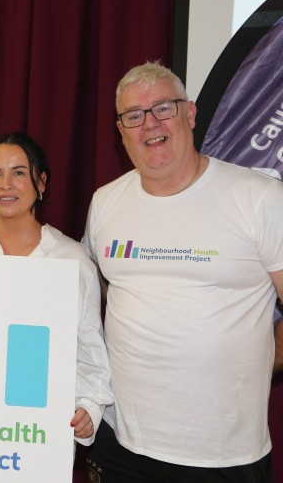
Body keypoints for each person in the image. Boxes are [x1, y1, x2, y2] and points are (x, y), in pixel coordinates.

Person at [82, 61, 283, 482]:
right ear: (121, 131)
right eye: (133, 116)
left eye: (163, 108)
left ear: (189, 114)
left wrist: (269, 359)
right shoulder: (106, 202)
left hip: (224, 454)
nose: (149, 124)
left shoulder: (260, 198)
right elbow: (95, 294)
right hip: (123, 442)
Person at [0, 132, 114, 448]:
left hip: (32, 439)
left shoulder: (73, 260)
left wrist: (89, 408)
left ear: (41, 182)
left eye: (18, 173)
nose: (5, 184)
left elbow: (90, 354)